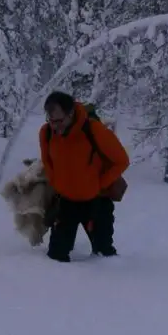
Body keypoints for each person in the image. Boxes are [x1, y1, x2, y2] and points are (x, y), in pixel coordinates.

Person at [40, 91, 130, 262]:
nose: (55, 126)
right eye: (51, 120)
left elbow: (122, 161)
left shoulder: (93, 129)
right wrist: (58, 185)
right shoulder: (46, 133)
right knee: (56, 257)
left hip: (96, 201)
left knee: (104, 256)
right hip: (66, 202)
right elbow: (48, 162)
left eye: (59, 121)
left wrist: (99, 184)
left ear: (71, 113)